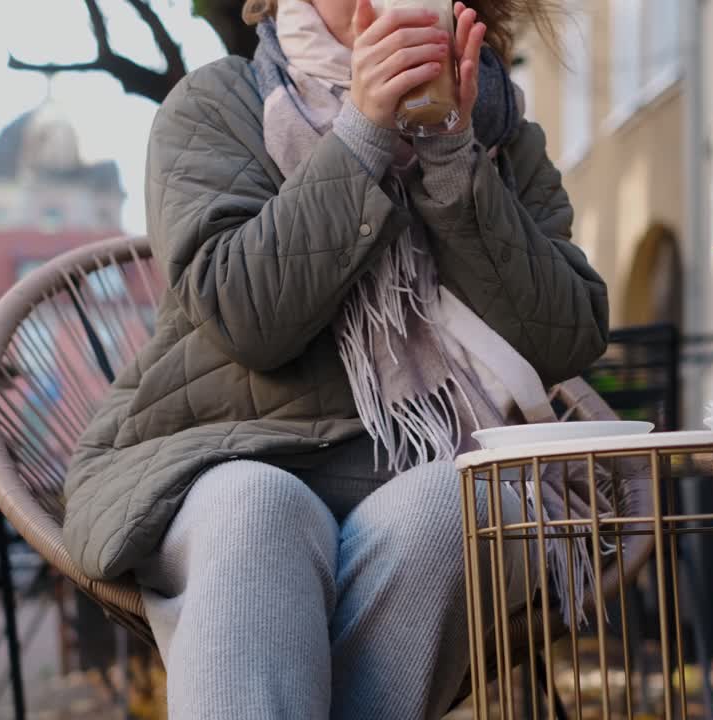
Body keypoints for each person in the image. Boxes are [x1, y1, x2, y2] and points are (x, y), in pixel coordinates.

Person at [63, 0, 610, 716]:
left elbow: (565, 340)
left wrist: (451, 152)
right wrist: (361, 133)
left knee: (452, 505)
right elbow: (248, 317)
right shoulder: (216, 103)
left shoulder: (502, 136)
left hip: (430, 467)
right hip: (220, 454)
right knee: (259, 507)